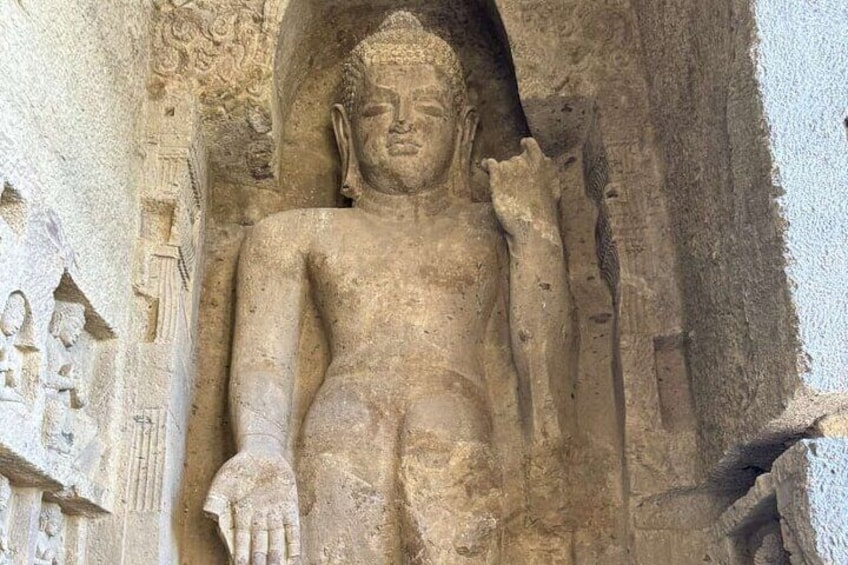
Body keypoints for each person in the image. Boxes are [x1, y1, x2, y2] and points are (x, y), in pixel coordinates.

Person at [206, 11, 570, 565]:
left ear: (464, 129)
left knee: (443, 418)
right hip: (342, 429)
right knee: (350, 422)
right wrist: (260, 449)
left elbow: (540, 359)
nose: (404, 123)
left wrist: (537, 237)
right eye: (379, 108)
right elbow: (264, 361)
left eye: (427, 109)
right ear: (345, 130)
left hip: (455, 431)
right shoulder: (292, 235)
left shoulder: (491, 229)